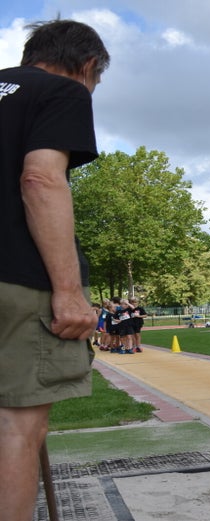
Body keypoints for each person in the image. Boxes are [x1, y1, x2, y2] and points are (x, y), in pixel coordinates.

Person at [0, 19, 108, 521]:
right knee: (16, 429)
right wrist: (68, 290)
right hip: (16, 278)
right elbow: (40, 179)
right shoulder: (62, 91)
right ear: (87, 66)